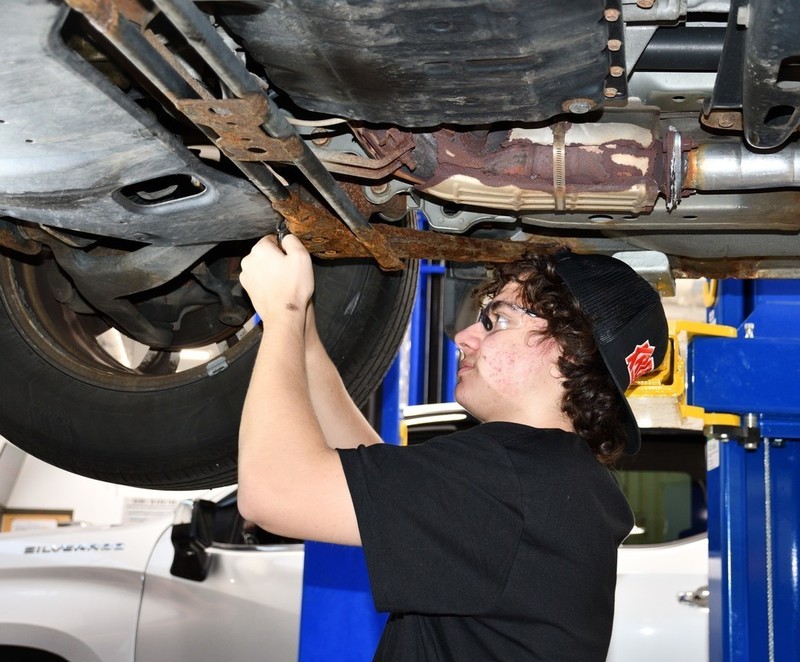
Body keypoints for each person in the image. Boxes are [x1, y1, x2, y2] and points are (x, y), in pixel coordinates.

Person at [237, 234, 668, 661]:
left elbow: (273, 491)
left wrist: (284, 312)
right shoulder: (555, 481)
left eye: (496, 321)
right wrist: (305, 330)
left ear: (569, 353)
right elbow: (373, 485)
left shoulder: (512, 475)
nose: (463, 336)